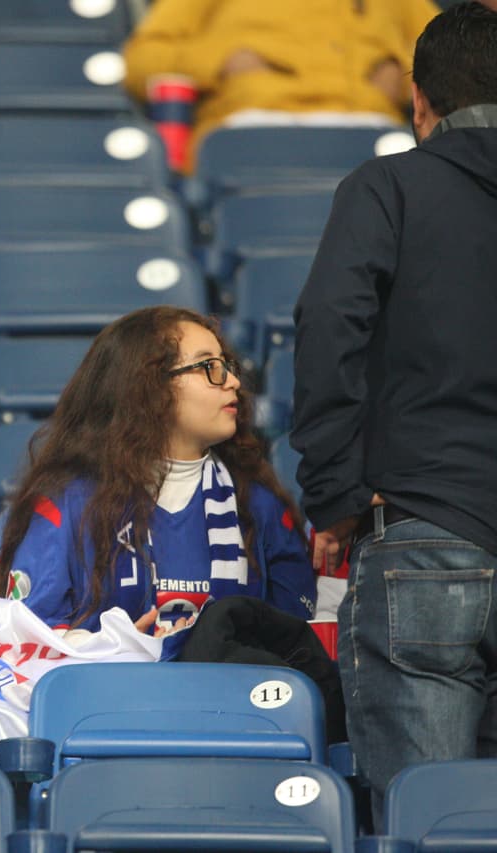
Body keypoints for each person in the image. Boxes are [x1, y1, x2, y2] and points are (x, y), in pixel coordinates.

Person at [292, 1, 497, 823]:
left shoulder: (389, 185)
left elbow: (329, 327)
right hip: (435, 521)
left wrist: (336, 493)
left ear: (420, 101)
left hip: (425, 531)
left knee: (432, 825)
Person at [0, 307, 315, 646]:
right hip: (107, 696)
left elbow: (297, 645)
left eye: (227, 366)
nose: (233, 381)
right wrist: (108, 651)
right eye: (209, 366)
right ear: (149, 387)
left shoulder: (257, 503)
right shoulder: (65, 502)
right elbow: (29, 638)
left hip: (230, 696)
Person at [121, 0, 439, 172]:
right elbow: (142, 61)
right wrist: (221, 61)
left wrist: (403, 72)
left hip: (368, 134)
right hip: (253, 127)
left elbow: (452, 55)